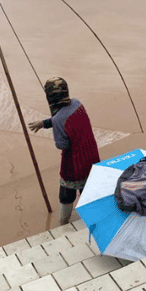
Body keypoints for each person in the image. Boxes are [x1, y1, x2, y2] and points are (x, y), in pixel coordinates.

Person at [28, 77, 100, 225]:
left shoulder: (58, 119)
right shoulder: (77, 103)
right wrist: (44, 123)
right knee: (88, 191)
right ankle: (93, 218)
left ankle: (63, 223)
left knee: (66, 194)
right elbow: (62, 117)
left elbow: (62, 145)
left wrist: (55, 126)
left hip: (74, 163)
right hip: (91, 157)